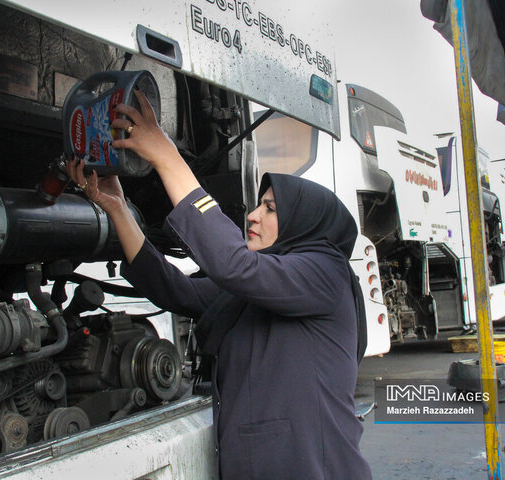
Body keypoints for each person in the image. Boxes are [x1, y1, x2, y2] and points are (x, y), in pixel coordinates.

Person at [66, 90, 372, 479]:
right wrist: (118, 209)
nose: (254, 217)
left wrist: (166, 156)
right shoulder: (261, 289)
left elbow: (233, 264)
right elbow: (176, 290)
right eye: (259, 205)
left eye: (271, 209)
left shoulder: (325, 273)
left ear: (304, 224)